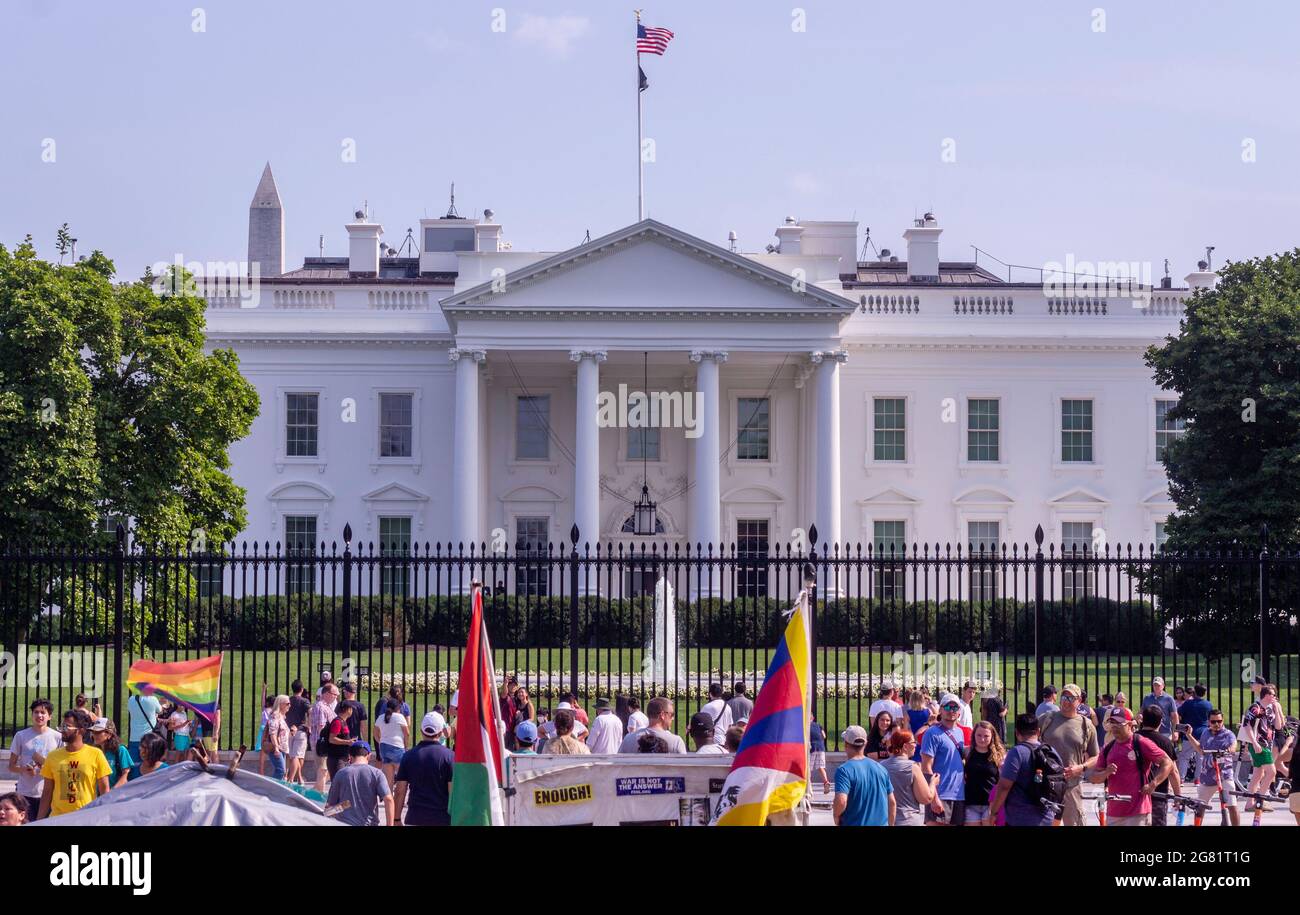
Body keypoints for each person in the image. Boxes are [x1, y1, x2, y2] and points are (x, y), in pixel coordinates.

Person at [1088, 706, 1173, 826]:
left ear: (1129, 724)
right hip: (1114, 813)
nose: (1115, 726)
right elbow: (1093, 778)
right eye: (1112, 722)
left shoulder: (1141, 742)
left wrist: (1153, 784)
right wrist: (1106, 772)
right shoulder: (1108, 748)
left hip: (1138, 812)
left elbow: (1167, 763)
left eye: (1119, 723)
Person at [1038, 683, 1099, 826]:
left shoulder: (1086, 725)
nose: (1066, 700)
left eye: (1071, 698)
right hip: (1046, 785)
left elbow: (1096, 756)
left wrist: (1081, 767)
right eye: (1064, 696)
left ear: (1079, 701)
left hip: (1071, 786)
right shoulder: (1046, 719)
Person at [39, 709, 111, 819]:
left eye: (66, 726)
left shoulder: (96, 754)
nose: (62, 730)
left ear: (80, 730)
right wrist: (39, 819)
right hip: (58, 819)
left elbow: (104, 790)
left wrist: (104, 817)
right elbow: (47, 792)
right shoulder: (52, 756)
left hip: (86, 818)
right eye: (62, 726)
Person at [989, 714, 1057, 827]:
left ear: (1017, 733)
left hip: (1020, 817)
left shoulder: (1017, 753)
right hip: (1046, 817)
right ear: (1038, 732)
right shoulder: (1051, 751)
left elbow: (1004, 786)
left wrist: (994, 812)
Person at [394, 712, 455, 826]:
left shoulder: (408, 756)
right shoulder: (450, 757)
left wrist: (396, 818)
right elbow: (452, 793)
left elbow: (400, 791)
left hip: (415, 817)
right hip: (441, 818)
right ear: (441, 732)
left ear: (421, 731)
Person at [1182, 707, 1239, 826]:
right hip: (1207, 776)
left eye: (1219, 721)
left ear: (1223, 721)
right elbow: (1201, 750)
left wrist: (1230, 750)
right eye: (1213, 722)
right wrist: (1189, 735)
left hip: (1224, 774)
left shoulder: (1228, 734)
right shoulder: (1205, 733)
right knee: (1200, 806)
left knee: (1232, 805)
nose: (1217, 724)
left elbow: (1233, 745)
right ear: (1209, 722)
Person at [8, 698, 61, 821]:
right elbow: (11, 766)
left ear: (49, 716)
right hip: (25, 794)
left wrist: (45, 766)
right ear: (32, 715)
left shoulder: (57, 737)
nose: (39, 715)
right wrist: (24, 769)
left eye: (43, 713)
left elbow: (61, 767)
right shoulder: (21, 736)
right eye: (36, 712)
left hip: (48, 793)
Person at [833, 725, 895, 826]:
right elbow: (892, 802)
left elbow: (841, 801)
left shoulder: (844, 770)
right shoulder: (881, 768)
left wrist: (836, 815)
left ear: (846, 744)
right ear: (865, 744)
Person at [920, 694, 966, 825]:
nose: (951, 710)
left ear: (959, 712)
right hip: (940, 794)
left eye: (955, 707)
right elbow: (926, 767)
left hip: (959, 794)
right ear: (940, 710)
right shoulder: (932, 733)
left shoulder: (960, 733)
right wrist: (934, 798)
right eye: (947, 706)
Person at [327, 742, 394, 826]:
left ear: (350, 757)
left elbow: (330, 809)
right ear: (368, 756)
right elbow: (389, 799)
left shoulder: (340, 773)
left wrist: (345, 806)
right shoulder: (377, 773)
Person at [1137, 703, 1182, 826]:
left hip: (1135, 793)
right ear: (1160, 721)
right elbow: (1173, 771)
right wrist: (1178, 796)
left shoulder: (1133, 739)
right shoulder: (1165, 742)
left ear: (1143, 720)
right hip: (1158, 794)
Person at [882, 730, 937, 826]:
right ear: (905, 746)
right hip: (909, 820)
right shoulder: (912, 767)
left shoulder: (881, 766)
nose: (916, 745)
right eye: (913, 742)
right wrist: (933, 783)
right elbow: (926, 798)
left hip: (886, 820)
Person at [1241, 685, 1279, 807]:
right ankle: (1260, 800)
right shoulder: (1255, 707)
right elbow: (1247, 725)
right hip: (1259, 744)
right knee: (1272, 772)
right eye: (1273, 695)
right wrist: (1254, 743)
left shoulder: (1270, 709)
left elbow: (1278, 726)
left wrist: (1276, 709)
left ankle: (1249, 803)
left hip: (1267, 744)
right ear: (1266, 695)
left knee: (1258, 775)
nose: (1274, 697)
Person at [963, 720, 1005, 825]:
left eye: (986, 736)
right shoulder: (967, 752)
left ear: (992, 736)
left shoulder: (999, 756)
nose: (982, 739)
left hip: (990, 803)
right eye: (979, 735)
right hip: (971, 802)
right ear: (974, 735)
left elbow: (1002, 781)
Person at [619, 697, 687, 753]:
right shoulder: (676, 742)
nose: (673, 718)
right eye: (671, 714)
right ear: (662, 715)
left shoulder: (628, 740)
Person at [372, 698, 411, 789]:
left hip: (384, 748)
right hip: (397, 747)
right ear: (398, 708)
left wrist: (380, 741)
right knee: (402, 778)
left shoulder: (381, 717)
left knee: (388, 779)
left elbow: (375, 733)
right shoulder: (399, 717)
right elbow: (407, 733)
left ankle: (389, 802)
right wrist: (406, 746)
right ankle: (399, 800)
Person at [310, 682, 338, 792]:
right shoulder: (321, 707)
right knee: (323, 770)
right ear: (326, 693)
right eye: (334, 694)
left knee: (325, 770)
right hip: (322, 744)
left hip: (323, 743)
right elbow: (321, 727)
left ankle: (314, 791)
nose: (336, 696)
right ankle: (319, 793)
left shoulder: (325, 706)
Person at [90, 718, 134, 790]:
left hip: (115, 796)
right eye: (93, 732)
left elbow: (125, 776)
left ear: (109, 734)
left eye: (98, 732)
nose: (94, 735)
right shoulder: (94, 752)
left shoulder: (120, 750)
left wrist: (110, 793)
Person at [126, 690, 163, 765]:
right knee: (149, 766)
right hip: (148, 739)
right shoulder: (153, 699)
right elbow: (160, 711)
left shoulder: (131, 699)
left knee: (134, 766)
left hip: (134, 738)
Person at [285, 679, 311, 785]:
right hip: (300, 730)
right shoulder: (304, 701)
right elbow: (311, 713)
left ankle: (299, 778)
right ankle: (292, 779)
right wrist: (309, 725)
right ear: (301, 689)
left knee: (293, 756)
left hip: (289, 730)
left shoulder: (288, 700)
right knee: (297, 756)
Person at [323, 701, 356, 781]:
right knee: (338, 783)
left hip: (343, 758)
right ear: (347, 710)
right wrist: (348, 742)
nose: (352, 711)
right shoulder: (337, 722)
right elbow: (332, 739)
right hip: (336, 759)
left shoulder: (343, 721)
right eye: (351, 709)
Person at [261, 694, 290, 780]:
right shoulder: (275, 715)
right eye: (287, 703)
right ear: (281, 704)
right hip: (276, 748)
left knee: (282, 772)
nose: (289, 705)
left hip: (282, 748)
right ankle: (271, 790)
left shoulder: (282, 716)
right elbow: (272, 733)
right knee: (280, 770)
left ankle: (276, 791)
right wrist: (276, 748)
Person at [810, 714, 830, 793]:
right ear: (813, 718)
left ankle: (809, 787)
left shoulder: (806, 726)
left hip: (812, 748)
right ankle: (826, 782)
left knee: (808, 769)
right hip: (821, 747)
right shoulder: (818, 725)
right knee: (821, 767)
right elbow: (824, 736)